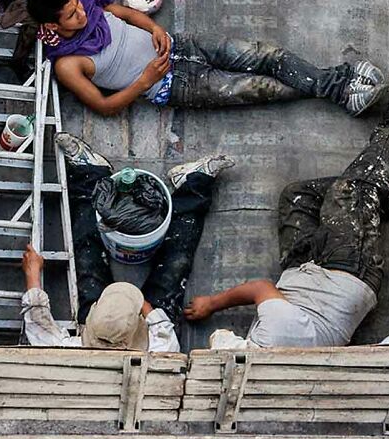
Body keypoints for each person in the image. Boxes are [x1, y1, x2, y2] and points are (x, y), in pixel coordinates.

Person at [182, 67, 389, 349]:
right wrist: (212, 304)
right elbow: (260, 288)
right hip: (347, 274)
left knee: (297, 197)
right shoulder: (272, 337)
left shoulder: (262, 355)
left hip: (303, 279)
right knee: (349, 193)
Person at [1, 0, 387, 117]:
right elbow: (104, 107)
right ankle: (342, 86)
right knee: (260, 88)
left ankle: (339, 85)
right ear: (53, 26)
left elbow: (123, 12)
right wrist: (143, 81)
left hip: (179, 45)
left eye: (75, 6)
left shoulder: (85, 1)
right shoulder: (69, 64)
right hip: (171, 85)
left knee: (265, 53)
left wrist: (153, 27)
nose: (80, 16)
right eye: (70, 17)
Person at [20, 136, 233, 350]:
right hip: (137, 319)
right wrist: (140, 304)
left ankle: (91, 175)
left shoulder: (73, 349)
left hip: (112, 318)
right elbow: (162, 328)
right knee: (175, 266)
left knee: (86, 255)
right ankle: (193, 184)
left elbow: (39, 328)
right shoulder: (159, 349)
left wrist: (32, 274)